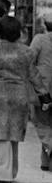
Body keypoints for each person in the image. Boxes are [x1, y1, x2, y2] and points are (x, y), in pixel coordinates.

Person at [0, 16, 51, 183]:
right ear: (19, 32)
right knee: (13, 136)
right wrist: (44, 97)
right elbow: (34, 76)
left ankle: (4, 175)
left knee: (0, 136)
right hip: (20, 97)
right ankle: (11, 172)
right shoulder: (26, 52)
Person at [30, 15, 52, 170]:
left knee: (41, 123)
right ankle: (46, 162)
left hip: (43, 90)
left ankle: (50, 146)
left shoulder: (39, 39)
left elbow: (29, 60)